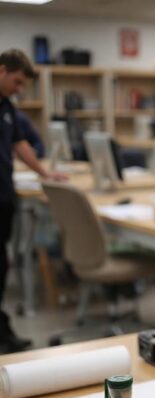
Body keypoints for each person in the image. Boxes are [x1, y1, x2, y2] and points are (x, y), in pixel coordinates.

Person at [0, 49, 66, 353]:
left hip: (4, 196)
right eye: (16, 81)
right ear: (1, 71)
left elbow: (19, 143)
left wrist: (45, 173)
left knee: (3, 263)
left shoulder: (7, 107)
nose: (20, 89)